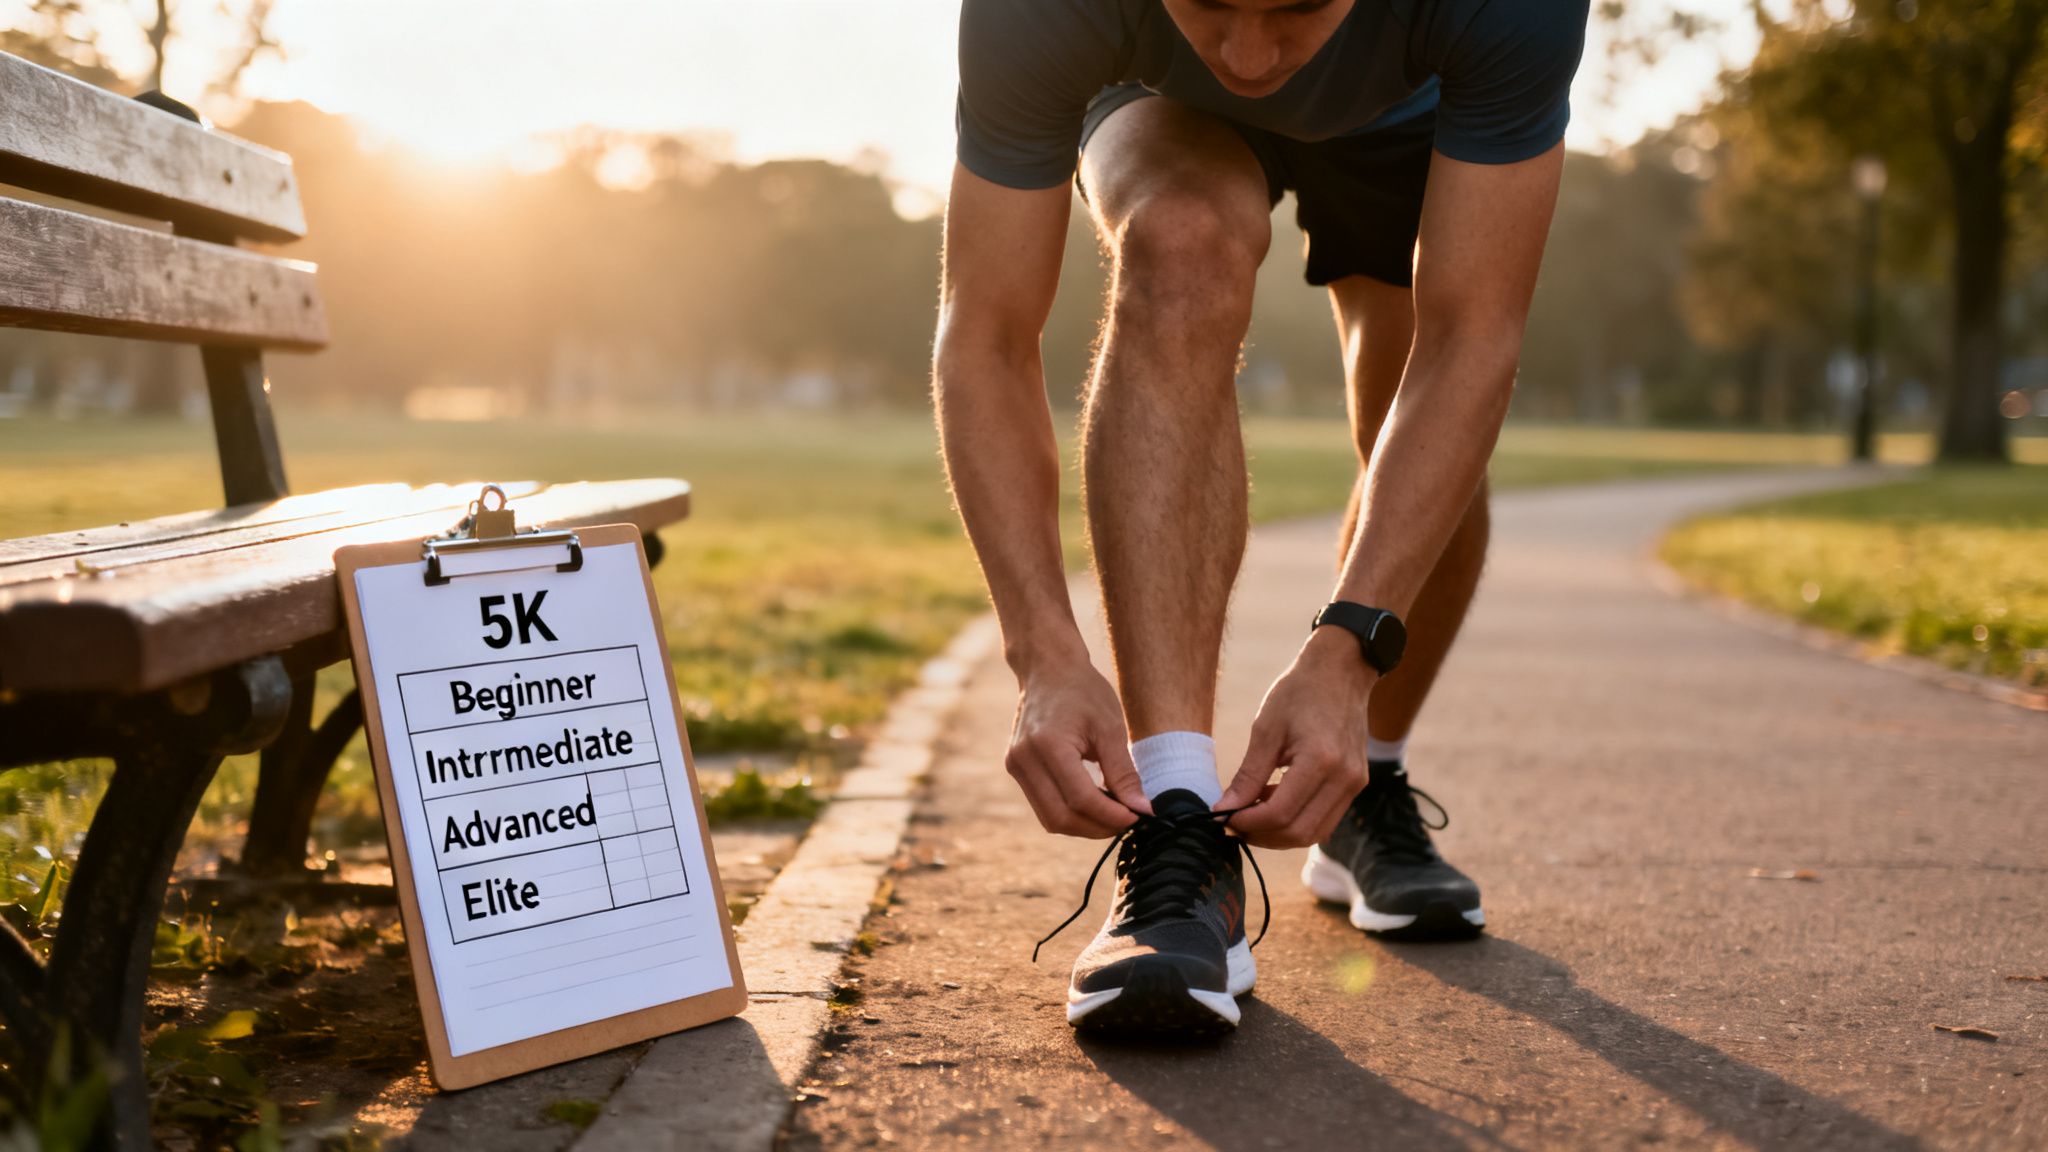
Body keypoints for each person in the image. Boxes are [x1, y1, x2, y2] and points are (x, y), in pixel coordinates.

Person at [933, 0, 1589, 1039]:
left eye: (1293, 8)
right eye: (1203, 2)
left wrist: (1346, 657)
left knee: (1405, 366)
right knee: (1181, 242)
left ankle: (1365, 779)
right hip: (1158, 106)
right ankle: (1179, 826)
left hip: (1410, 107)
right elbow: (986, 330)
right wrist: (1041, 655)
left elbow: (1471, 340)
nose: (1248, 57)